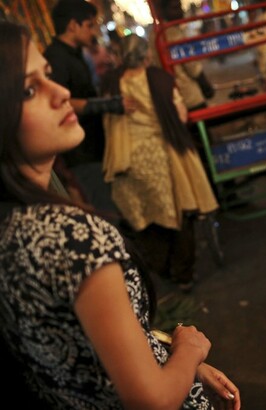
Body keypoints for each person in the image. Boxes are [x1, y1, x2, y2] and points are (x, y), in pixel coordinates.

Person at [0, 20, 240, 409]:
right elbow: (153, 399)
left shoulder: (17, 224)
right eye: (29, 89)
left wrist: (169, 357)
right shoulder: (73, 236)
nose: (61, 93)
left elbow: (81, 349)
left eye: (47, 76)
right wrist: (188, 349)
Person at [101, 34, 219, 292]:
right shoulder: (160, 79)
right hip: (161, 159)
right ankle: (182, 274)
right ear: (147, 55)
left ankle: (162, 268)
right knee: (179, 213)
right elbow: (180, 114)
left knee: (143, 219)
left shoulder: (111, 82)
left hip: (127, 163)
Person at [43, 0, 135, 220]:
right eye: (89, 25)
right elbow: (61, 100)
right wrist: (109, 104)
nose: (93, 31)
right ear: (73, 25)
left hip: (93, 143)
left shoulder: (76, 54)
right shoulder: (56, 57)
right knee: (107, 210)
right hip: (81, 151)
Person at [152, 0, 214, 111]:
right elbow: (192, 66)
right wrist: (206, 86)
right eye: (175, 8)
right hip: (189, 95)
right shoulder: (172, 33)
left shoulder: (155, 34)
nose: (181, 12)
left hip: (172, 96)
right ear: (163, 11)